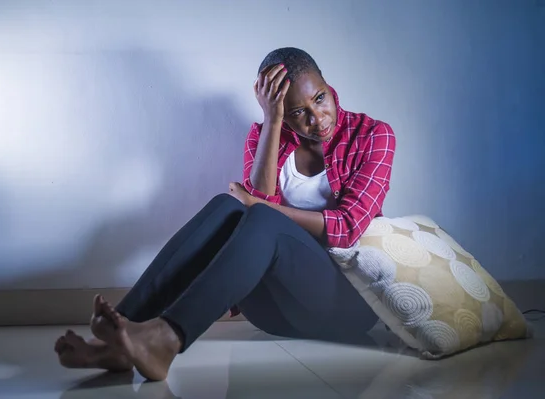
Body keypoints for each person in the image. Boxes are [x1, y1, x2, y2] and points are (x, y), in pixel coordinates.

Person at [54, 47, 396, 381]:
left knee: (260, 215)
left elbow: (347, 227)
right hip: (277, 312)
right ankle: (121, 332)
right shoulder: (264, 136)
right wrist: (273, 122)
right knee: (228, 206)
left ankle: (167, 339)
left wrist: (260, 206)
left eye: (320, 99)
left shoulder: (372, 135)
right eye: (296, 112)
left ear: (326, 83)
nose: (316, 118)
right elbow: (257, 203)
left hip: (344, 305)